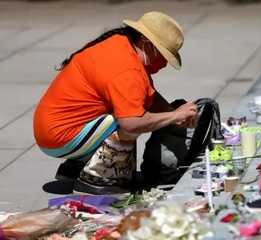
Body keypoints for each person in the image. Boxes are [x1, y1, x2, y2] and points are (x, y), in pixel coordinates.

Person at [33, 12, 202, 195]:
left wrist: (170, 111)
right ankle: (102, 177)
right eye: (163, 54)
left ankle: (75, 167)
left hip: (49, 128)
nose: (163, 63)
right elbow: (132, 122)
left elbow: (147, 96)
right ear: (145, 42)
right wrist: (175, 115)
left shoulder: (120, 44)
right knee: (129, 117)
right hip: (60, 137)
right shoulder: (128, 70)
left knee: (130, 107)